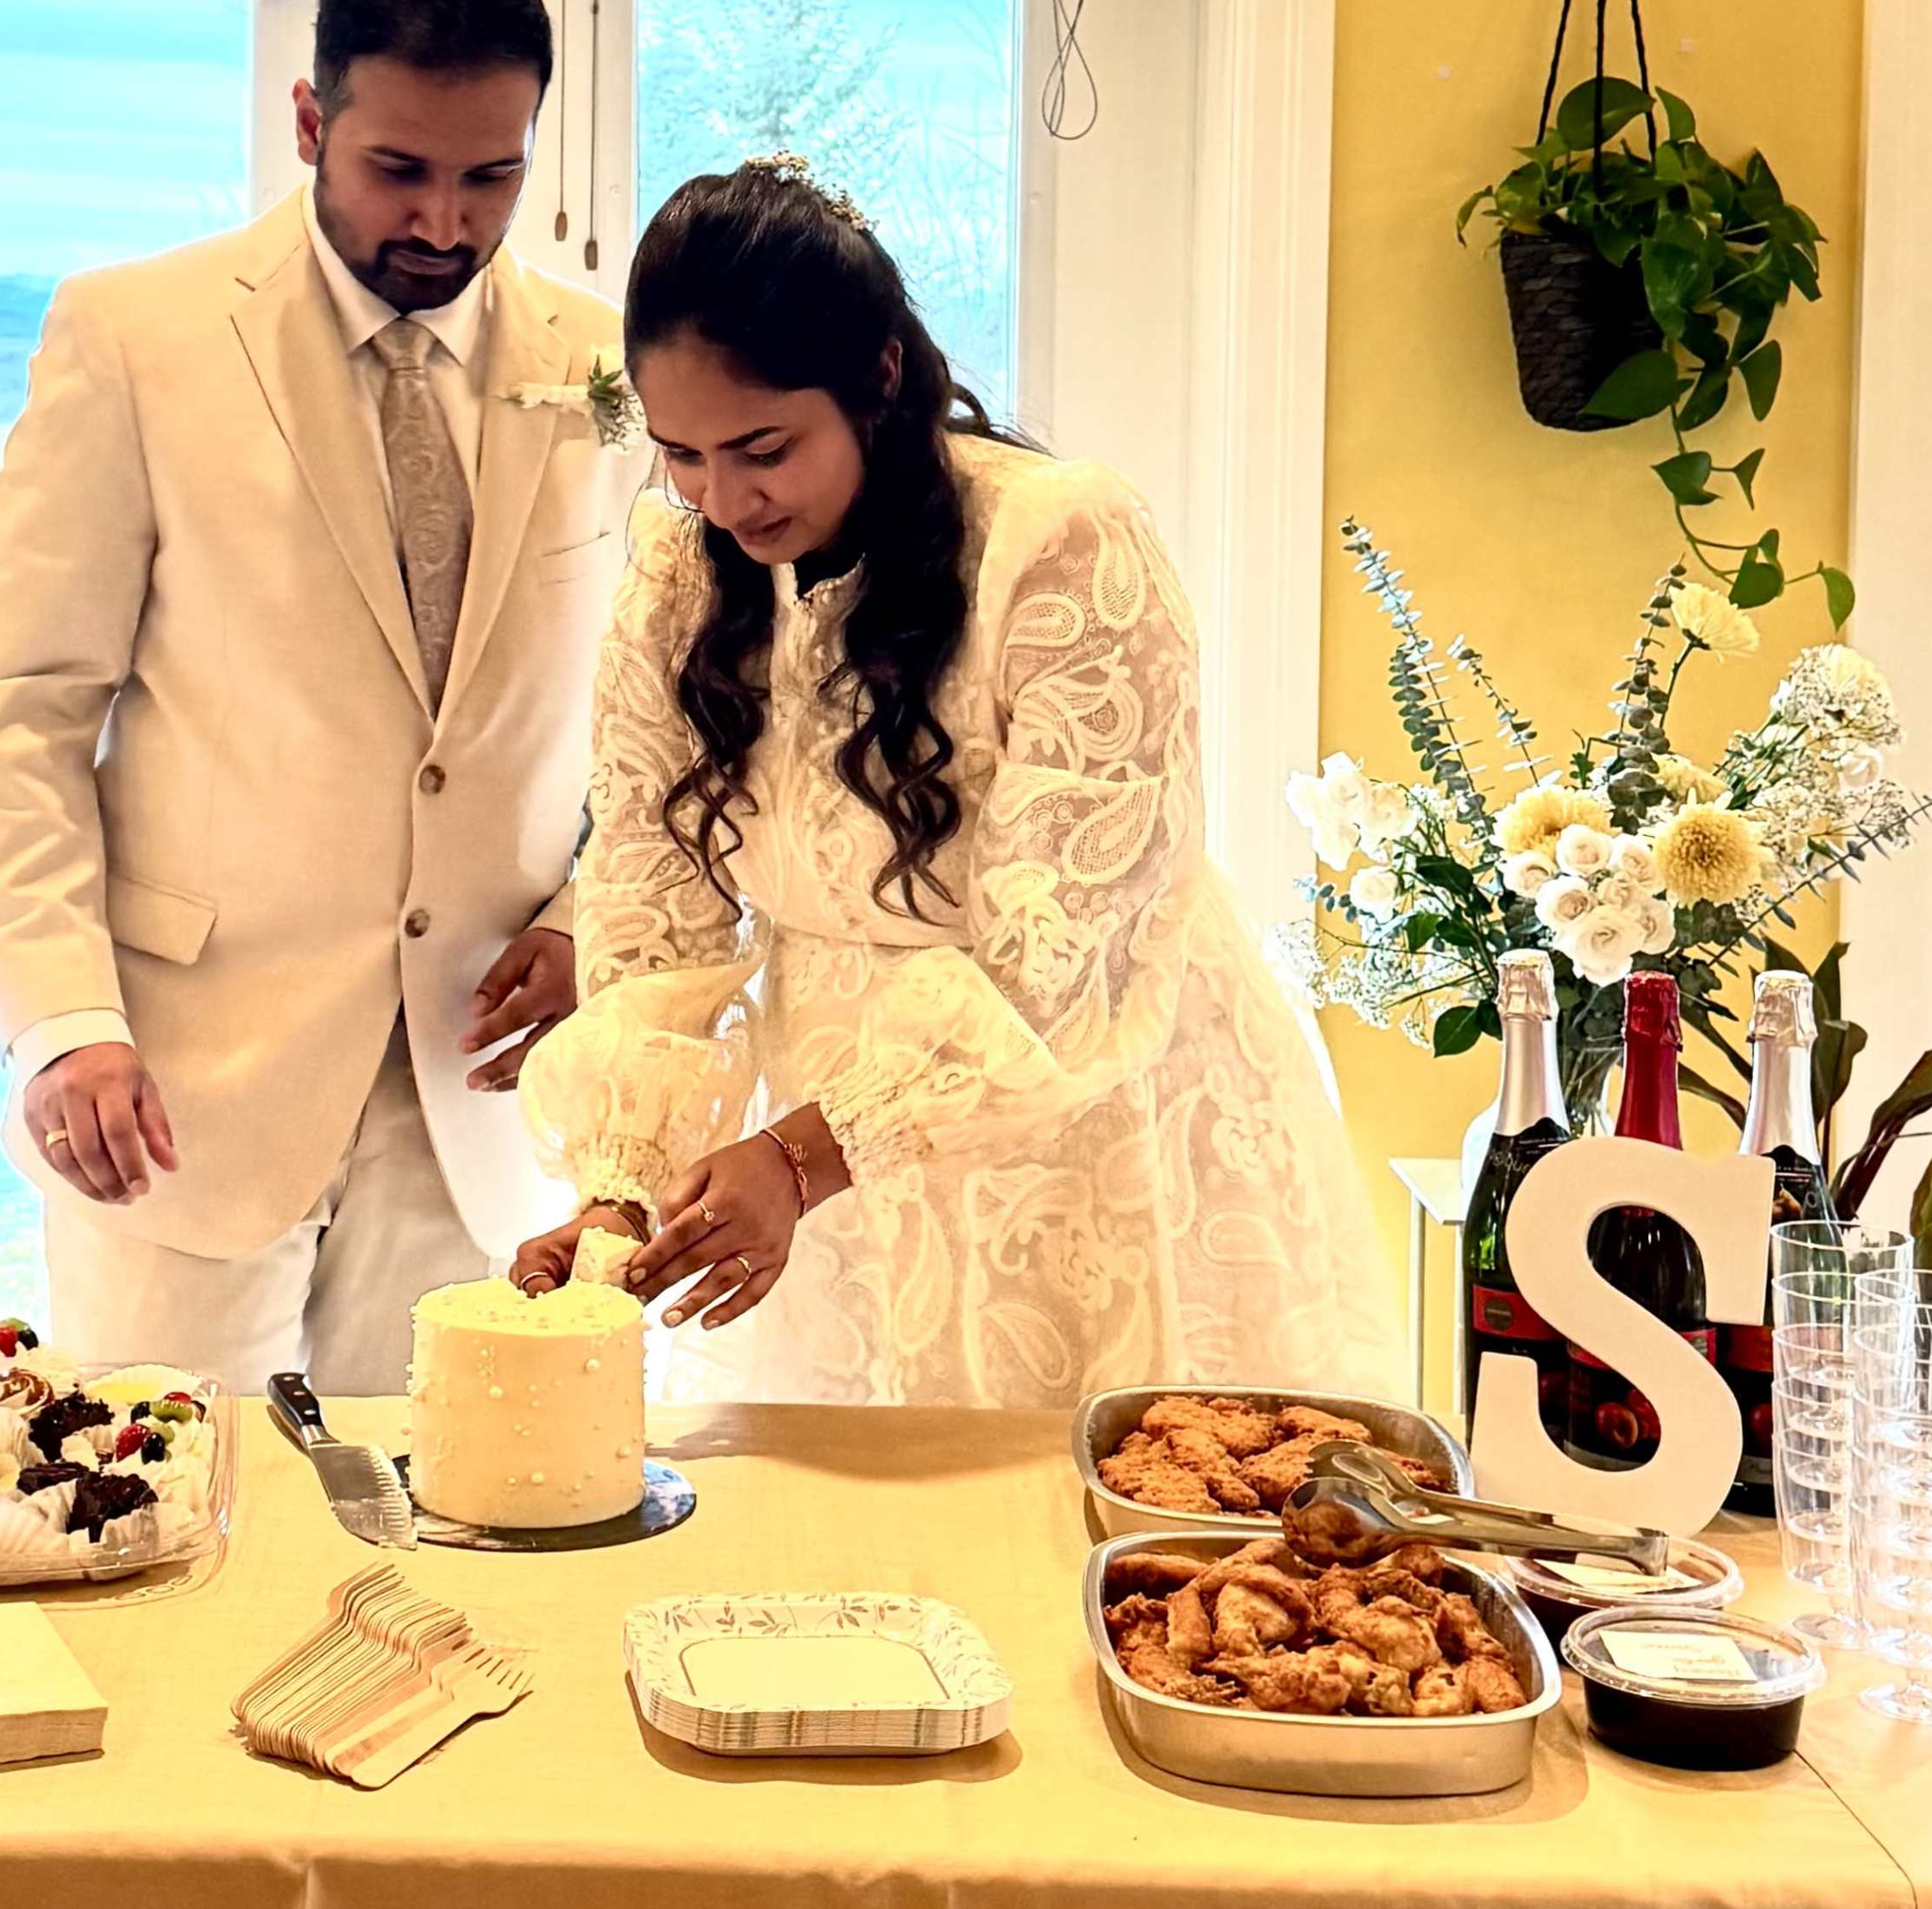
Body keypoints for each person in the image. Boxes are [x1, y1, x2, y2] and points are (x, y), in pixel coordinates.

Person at [511, 158, 1401, 1410]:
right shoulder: (680, 571)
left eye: (762, 447)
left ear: (878, 377)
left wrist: (800, 1153)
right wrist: (618, 1189)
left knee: (1115, 1544)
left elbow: (1063, 967)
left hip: (1094, 1119)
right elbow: (655, 906)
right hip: (823, 1152)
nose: (724, 498)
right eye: (681, 455)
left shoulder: (1061, 544)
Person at [0, 0, 641, 1393]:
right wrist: (62, 1022)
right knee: (159, 1541)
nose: (445, 221)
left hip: (482, 1097)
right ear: (311, 123)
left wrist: (592, 910)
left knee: (447, 1549)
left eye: (490, 177)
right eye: (401, 169)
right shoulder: (134, 337)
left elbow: (664, 711)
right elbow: (21, 707)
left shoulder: (608, 362)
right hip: (178, 1088)